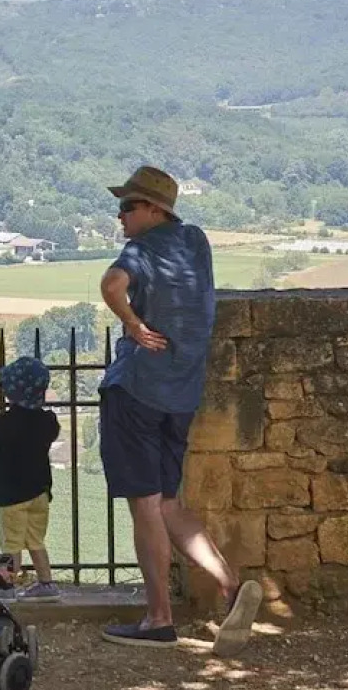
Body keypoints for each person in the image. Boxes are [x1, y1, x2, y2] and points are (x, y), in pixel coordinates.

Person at [97, 165, 262, 655]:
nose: (120, 215)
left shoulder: (140, 250)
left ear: (154, 210)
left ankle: (158, 618)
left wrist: (130, 323)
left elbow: (110, 285)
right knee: (170, 503)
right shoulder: (196, 241)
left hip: (137, 390)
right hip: (181, 395)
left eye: (128, 206)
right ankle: (230, 586)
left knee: (146, 507)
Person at [0, 355, 61, 601]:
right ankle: (47, 584)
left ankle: (8, 586)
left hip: (11, 494)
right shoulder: (48, 421)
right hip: (40, 491)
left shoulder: (5, 423)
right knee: (36, 540)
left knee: (11, 543)